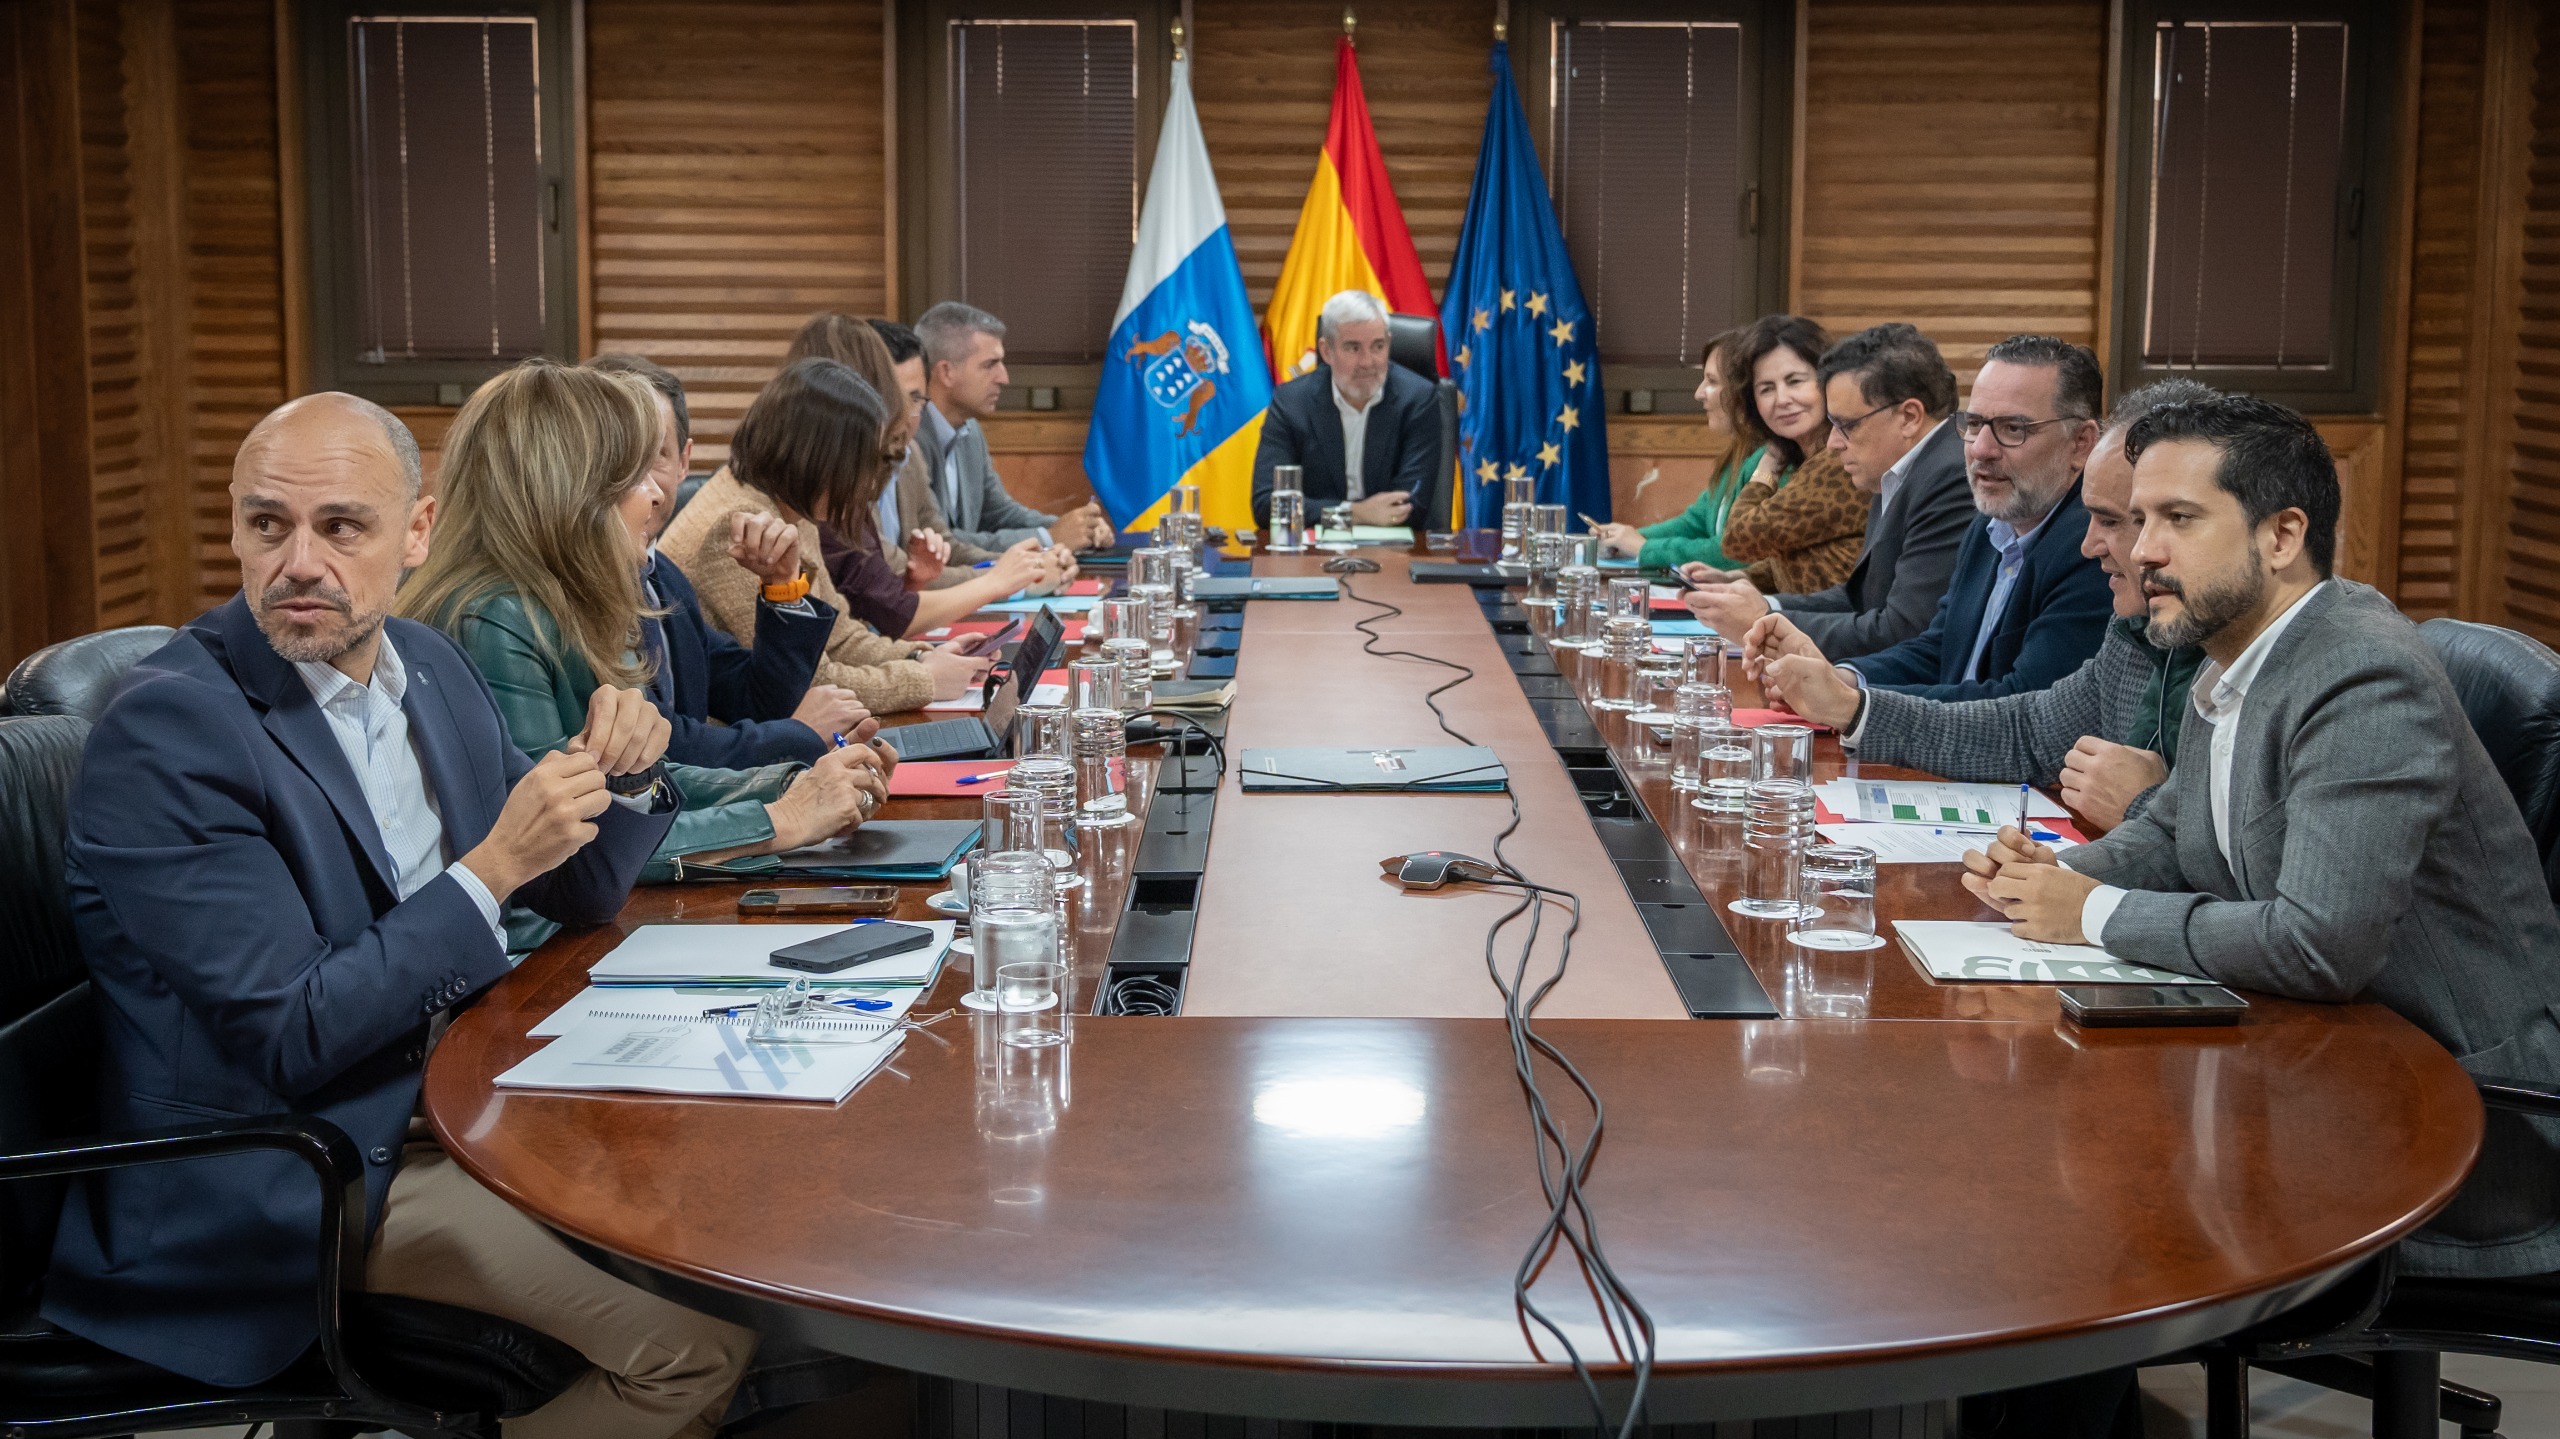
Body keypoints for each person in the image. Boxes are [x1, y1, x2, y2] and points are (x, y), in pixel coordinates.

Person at [44, 391, 759, 1436]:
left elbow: (577, 888)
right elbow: (292, 1030)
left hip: (457, 1095)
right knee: (693, 1346)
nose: (299, 562)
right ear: (234, 529)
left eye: (342, 525)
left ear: (416, 532)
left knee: (729, 1213)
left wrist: (630, 775)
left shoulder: (429, 666)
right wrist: (491, 866)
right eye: (267, 524)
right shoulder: (168, 731)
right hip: (297, 1169)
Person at [1957, 394, 2560, 1438]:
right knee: (2024, 1164)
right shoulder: (2236, 649)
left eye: (2178, 519)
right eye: (2140, 519)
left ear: (2282, 535)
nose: (2142, 548)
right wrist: (2046, 877)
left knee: (2053, 1216)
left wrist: (2091, 910)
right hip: (2327, 1064)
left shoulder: (2361, 674)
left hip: (2462, 1133)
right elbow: (2173, 829)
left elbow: (2318, 943)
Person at [400, 360, 892, 894]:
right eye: (633, 476)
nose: (656, 496)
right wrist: (785, 817)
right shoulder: (493, 620)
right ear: (570, 490)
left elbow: (645, 782)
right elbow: (561, 853)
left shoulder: (565, 598)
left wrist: (794, 784)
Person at [1751, 379, 2214, 831]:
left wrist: (2141, 810)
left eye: (2013, 428)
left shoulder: (2238, 661)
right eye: (1974, 425)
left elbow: (2239, 864)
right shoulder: (2132, 628)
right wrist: (1851, 704)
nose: (2090, 544)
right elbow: (2029, 731)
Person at [1746, 334, 2114, 702]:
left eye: (2013, 429)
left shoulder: (2092, 548)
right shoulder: (1989, 528)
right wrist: (1841, 678)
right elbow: (1938, 651)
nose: (1981, 449)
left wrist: (1853, 703)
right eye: (1974, 424)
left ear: (2081, 443)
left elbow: (2021, 706)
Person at [660, 357, 994, 711]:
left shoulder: (790, 504)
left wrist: (921, 657)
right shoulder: (741, 526)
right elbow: (805, 683)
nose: (869, 482)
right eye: (861, 462)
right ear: (818, 456)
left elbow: (838, 636)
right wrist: (924, 680)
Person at [588, 351, 869, 769]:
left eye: (655, 455)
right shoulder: (580, 588)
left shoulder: (663, 576)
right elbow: (662, 748)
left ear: (684, 461)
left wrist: (783, 589)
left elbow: (753, 698)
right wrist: (799, 733)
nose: (646, 486)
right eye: (620, 458)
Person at [1682, 322, 1973, 661]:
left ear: (1909, 417)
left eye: (1846, 425)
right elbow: (1858, 598)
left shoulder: (1950, 478)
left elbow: (1903, 631)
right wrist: (1768, 607)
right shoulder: (1892, 469)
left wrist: (1765, 621)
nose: (1833, 443)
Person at [766, 314, 1050, 636]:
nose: (902, 411)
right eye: (894, 395)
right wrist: (1000, 580)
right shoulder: (820, 489)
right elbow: (882, 610)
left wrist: (914, 587)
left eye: (914, 399)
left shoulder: (901, 455)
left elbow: (873, 608)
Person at [1683, 314, 1870, 596]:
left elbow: (1737, 539)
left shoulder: (1838, 460)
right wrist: (1736, 577)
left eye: (1795, 381)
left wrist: (1767, 467)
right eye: (1766, 389)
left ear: (1827, 382)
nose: (1782, 399)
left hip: (1844, 623)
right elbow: (1802, 552)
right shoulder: (1808, 458)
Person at [913, 300, 1115, 553]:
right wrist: (1049, 537)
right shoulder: (911, 437)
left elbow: (998, 513)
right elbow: (937, 544)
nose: (1004, 378)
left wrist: (1077, 528)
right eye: (990, 365)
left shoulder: (970, 430)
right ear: (946, 372)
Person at [1249, 288, 1445, 531]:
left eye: (1378, 346)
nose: (1367, 362)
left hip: (1396, 546)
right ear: (1326, 351)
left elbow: (1409, 506)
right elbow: (1266, 504)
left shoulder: (1418, 399)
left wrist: (1327, 512)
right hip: (1315, 548)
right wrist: (1354, 514)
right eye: (1353, 348)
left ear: (1389, 343)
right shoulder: (1292, 402)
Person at [1590, 330, 1762, 569]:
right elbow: (1694, 524)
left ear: (1743, 391)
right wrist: (1624, 538)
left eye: (1712, 381)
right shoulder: (1737, 455)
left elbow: (1733, 552)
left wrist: (1643, 548)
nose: (1698, 393)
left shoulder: (1771, 461)